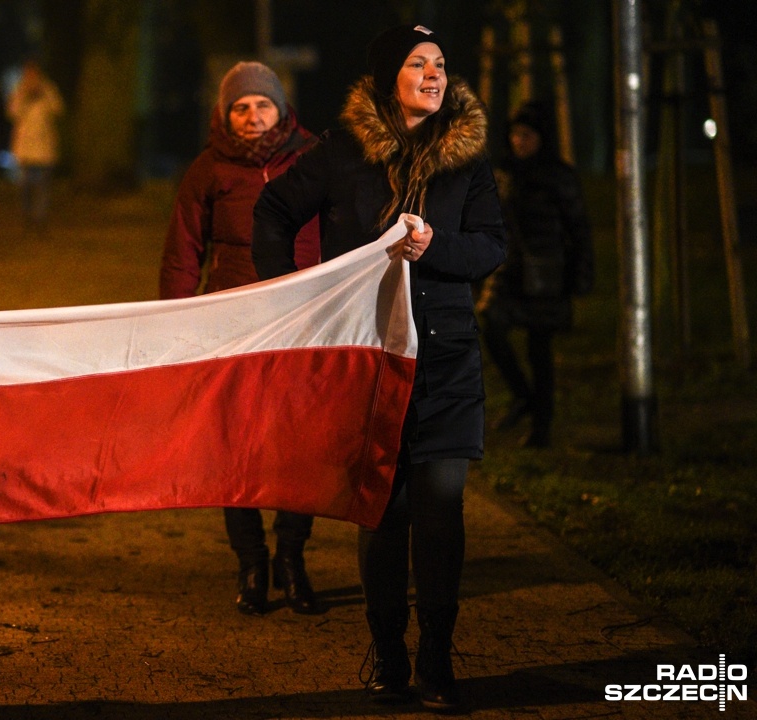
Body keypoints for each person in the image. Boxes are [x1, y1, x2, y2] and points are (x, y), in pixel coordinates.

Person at [252, 25, 506, 711]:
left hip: (446, 358)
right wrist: (296, 295)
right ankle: (390, 652)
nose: (434, 74)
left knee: (442, 511)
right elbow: (274, 210)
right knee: (385, 513)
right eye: (418, 63)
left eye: (442, 64)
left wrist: (438, 245)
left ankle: (437, 662)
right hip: (371, 359)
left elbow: (491, 247)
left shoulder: (467, 160)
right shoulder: (341, 155)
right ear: (387, 76)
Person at [160, 61, 322, 616]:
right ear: (225, 115)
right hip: (233, 325)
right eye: (241, 107)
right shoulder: (209, 170)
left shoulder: (314, 161)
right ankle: (251, 563)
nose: (253, 117)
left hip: (305, 324)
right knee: (237, 449)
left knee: (300, 448)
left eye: (263, 105)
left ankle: (293, 560)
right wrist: (177, 325)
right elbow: (184, 252)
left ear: (282, 109)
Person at [477, 100, 594, 448]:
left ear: (541, 138)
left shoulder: (558, 176)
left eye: (526, 135)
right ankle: (522, 396)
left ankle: (541, 427)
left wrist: (580, 277)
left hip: (547, 275)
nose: (519, 142)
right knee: (489, 323)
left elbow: (579, 228)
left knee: (539, 350)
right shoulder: (504, 173)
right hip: (509, 271)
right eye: (515, 135)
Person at [6, 59, 65, 228]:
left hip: (44, 147)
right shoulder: (19, 90)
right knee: (24, 185)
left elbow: (58, 109)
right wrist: (25, 96)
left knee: (42, 186)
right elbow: (12, 113)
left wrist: (44, 94)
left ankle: (39, 219)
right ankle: (26, 215)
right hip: (25, 148)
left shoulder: (48, 89)